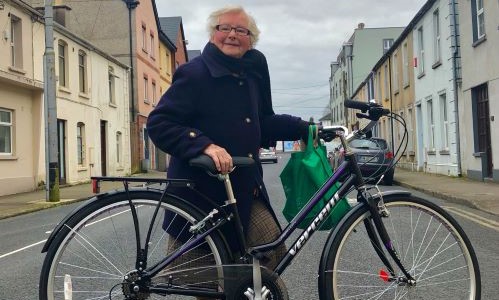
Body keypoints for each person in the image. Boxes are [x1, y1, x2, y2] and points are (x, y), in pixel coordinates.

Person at [147, 5, 310, 272]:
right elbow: (160, 123)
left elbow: (264, 123)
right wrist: (204, 145)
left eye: (241, 30)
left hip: (246, 192)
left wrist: (305, 127)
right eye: (225, 28)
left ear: (251, 40)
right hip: (200, 198)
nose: (232, 34)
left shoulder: (252, 75)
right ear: (213, 34)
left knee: (270, 263)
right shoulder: (195, 73)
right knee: (206, 283)